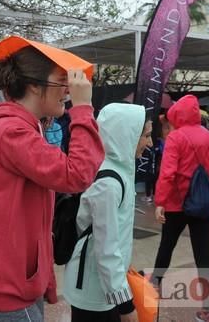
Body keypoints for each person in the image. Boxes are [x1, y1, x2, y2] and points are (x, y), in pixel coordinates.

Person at [0, 43, 105, 322]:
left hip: (13, 279)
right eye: (62, 82)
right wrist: (83, 108)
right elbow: (77, 175)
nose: (68, 90)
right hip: (5, 288)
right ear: (33, 86)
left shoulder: (22, 128)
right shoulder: (11, 131)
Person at [63, 103, 152, 322]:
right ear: (126, 135)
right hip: (94, 291)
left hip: (103, 285)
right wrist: (125, 306)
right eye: (146, 136)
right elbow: (106, 249)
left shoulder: (120, 171)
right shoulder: (109, 184)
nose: (150, 143)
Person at [152, 95, 209, 322]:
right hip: (204, 203)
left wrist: (160, 201)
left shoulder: (175, 137)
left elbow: (167, 173)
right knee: (203, 256)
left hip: (176, 204)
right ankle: (208, 310)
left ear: (177, 115)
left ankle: (152, 291)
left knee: (166, 248)